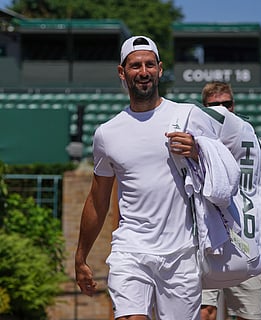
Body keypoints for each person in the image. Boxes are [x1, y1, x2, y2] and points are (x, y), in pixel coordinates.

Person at [74, 36, 233, 320]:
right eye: (135, 66)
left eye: (149, 65)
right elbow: (98, 199)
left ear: (160, 69)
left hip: (182, 254)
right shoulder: (107, 133)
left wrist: (198, 150)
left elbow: (226, 170)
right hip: (130, 249)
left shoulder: (188, 115)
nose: (143, 72)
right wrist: (80, 256)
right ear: (122, 72)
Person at [199, 81, 261, 320]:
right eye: (215, 105)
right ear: (205, 108)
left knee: (249, 316)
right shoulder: (195, 142)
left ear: (234, 106)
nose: (222, 109)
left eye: (227, 103)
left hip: (246, 238)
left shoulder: (255, 143)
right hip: (208, 242)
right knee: (205, 312)